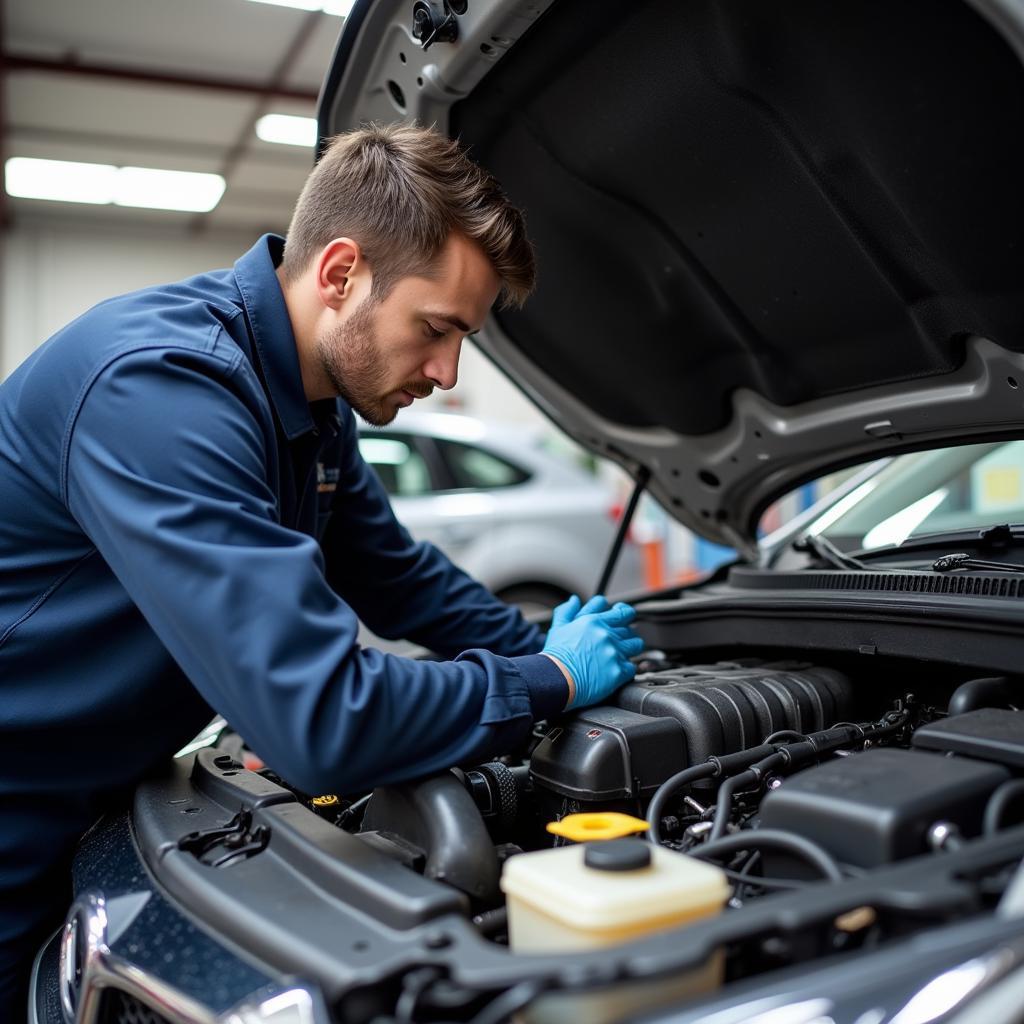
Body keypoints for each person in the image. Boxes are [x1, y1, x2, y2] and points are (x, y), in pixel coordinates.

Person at [0, 123, 642, 1016]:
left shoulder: (310, 405)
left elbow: (401, 578)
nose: (449, 372)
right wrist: (545, 680)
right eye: (436, 329)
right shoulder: (159, 386)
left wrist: (569, 658)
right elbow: (321, 718)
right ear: (340, 273)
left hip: (93, 798)